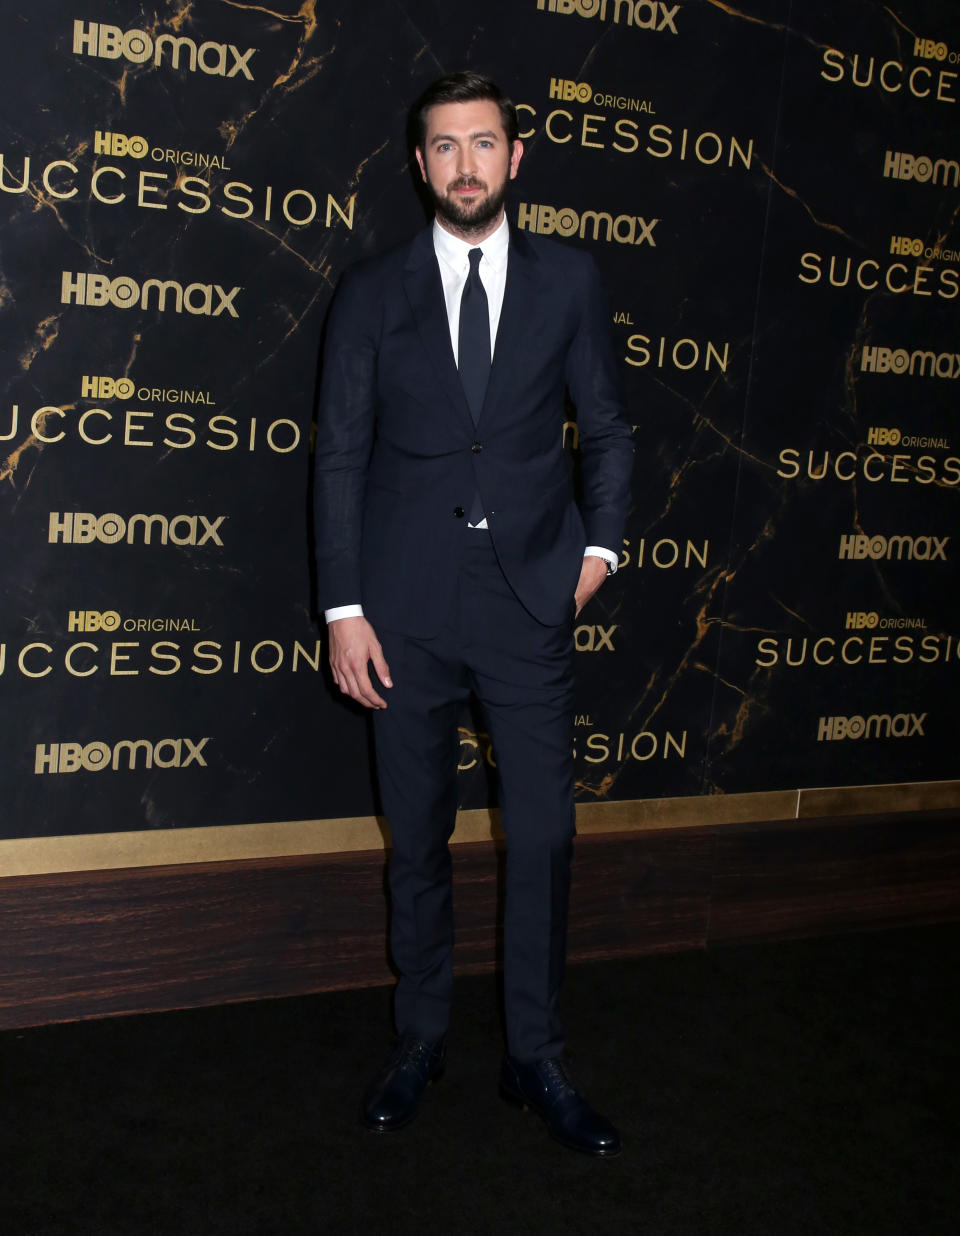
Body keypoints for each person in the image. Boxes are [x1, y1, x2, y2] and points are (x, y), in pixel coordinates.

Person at [313, 71, 634, 1156]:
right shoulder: (370, 291)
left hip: (530, 602)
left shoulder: (570, 281)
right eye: (444, 147)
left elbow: (613, 428)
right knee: (419, 836)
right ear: (420, 165)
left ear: (516, 156)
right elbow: (342, 454)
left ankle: (534, 1056)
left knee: (543, 833)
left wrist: (595, 555)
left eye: (483, 144)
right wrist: (344, 607)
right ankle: (419, 1036)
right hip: (401, 609)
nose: (464, 165)